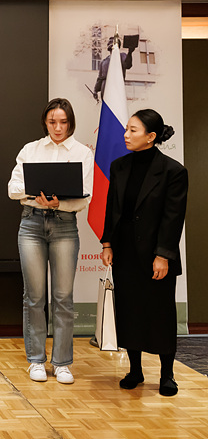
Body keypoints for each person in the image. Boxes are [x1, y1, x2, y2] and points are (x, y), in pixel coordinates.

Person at [100, 109, 187, 397]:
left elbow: (173, 217)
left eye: (133, 130)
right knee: (130, 312)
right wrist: (107, 243)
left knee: (161, 313)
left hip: (155, 255)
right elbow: (112, 207)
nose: (126, 135)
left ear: (150, 137)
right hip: (125, 252)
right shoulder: (119, 166)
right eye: (126, 129)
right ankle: (135, 370)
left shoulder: (173, 171)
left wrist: (163, 255)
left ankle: (167, 375)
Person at [7, 98, 94, 384]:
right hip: (31, 222)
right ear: (45, 122)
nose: (58, 127)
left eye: (63, 122)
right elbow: (13, 189)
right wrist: (35, 193)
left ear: (71, 123)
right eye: (52, 122)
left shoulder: (82, 152)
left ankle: (62, 363)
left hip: (64, 225)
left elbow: (85, 196)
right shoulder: (31, 149)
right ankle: (35, 360)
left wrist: (59, 203)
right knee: (34, 297)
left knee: (63, 297)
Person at [92, 36, 135, 102]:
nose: (109, 43)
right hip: (105, 87)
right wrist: (95, 90)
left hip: (116, 84)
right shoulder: (103, 61)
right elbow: (100, 78)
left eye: (112, 41)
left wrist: (130, 52)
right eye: (109, 42)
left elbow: (128, 65)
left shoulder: (122, 56)